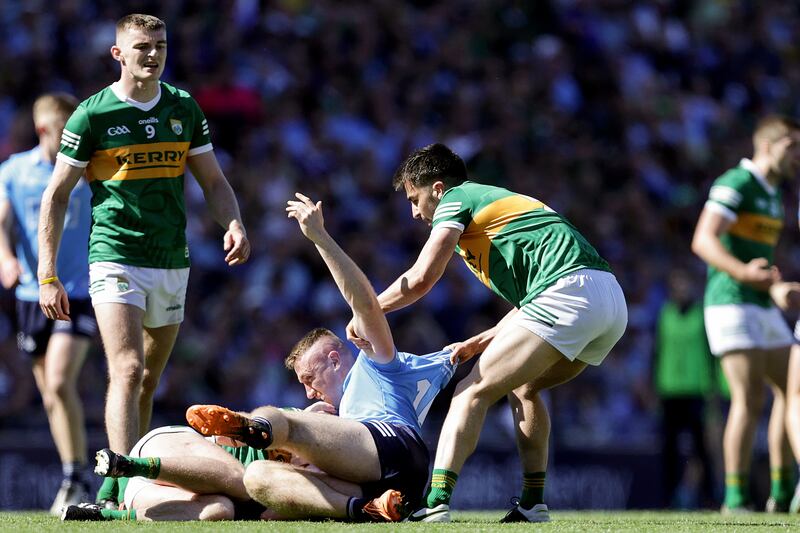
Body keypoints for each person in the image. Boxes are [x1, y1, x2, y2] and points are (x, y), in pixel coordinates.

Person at [347, 143, 628, 522]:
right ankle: (533, 504)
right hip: (609, 299)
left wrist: (368, 309)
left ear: (438, 189)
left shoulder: (458, 199)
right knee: (524, 387)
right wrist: (483, 338)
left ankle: (435, 502)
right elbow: (534, 296)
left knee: (470, 391)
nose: (415, 213)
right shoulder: (492, 210)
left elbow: (419, 280)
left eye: (415, 199)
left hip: (568, 293)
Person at [36, 14, 250, 506]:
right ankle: (119, 487)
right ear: (118, 54)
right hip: (115, 256)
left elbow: (213, 182)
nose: (152, 54)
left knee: (149, 380)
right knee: (127, 369)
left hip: (171, 259)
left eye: (160, 44)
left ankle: (123, 478)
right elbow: (56, 196)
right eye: (141, 46)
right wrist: (48, 274)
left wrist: (233, 222)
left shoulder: (184, 107)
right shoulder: (92, 116)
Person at [184, 192, 458, 521]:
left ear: (333, 359)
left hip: (394, 448)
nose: (308, 391)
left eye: (309, 379)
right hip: (376, 488)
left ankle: (254, 428)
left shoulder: (374, 362)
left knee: (280, 418)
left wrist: (319, 236)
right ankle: (366, 511)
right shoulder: (334, 419)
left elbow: (366, 303)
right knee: (259, 479)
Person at [691, 115, 800, 513]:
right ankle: (735, 498)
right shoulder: (735, 183)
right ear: (768, 145)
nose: (798, 156)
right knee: (749, 399)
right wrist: (743, 274)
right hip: (729, 302)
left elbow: (756, 260)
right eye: (793, 146)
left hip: (760, 303)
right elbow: (702, 240)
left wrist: (774, 287)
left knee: (793, 391)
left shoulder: (773, 193)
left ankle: (783, 492)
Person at [0, 93, 98, 514]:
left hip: (79, 291)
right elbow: (2, 222)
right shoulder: (14, 171)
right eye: (65, 132)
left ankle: (78, 476)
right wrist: (5, 258)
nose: (74, 139)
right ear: (44, 131)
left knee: (59, 381)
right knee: (50, 395)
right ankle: (73, 474)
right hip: (30, 296)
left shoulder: (89, 170)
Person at [61, 405, 320, 522]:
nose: (309, 391)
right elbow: (228, 432)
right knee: (243, 481)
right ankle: (123, 467)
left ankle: (103, 515)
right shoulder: (296, 420)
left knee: (219, 510)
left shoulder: (322, 484)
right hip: (173, 445)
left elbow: (269, 515)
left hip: (148, 491)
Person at [653, 268, 716, 508]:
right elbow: (657, 352)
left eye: (685, 284)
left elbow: (710, 354)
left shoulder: (701, 314)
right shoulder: (665, 313)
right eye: (677, 285)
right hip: (669, 390)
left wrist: (711, 388)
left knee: (701, 449)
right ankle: (667, 498)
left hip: (695, 390)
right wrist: (654, 387)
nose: (681, 289)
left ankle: (708, 497)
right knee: (669, 449)